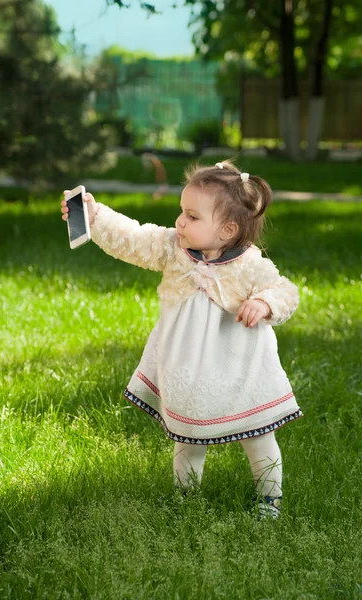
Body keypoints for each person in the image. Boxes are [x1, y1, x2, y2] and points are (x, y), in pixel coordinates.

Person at [61, 159, 302, 519]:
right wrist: (95, 217)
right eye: (181, 212)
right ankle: (185, 499)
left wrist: (263, 303)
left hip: (241, 371)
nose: (180, 222)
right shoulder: (173, 248)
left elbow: (286, 291)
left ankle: (269, 499)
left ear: (228, 229)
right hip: (190, 370)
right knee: (187, 435)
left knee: (257, 435)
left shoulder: (250, 264)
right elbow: (133, 237)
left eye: (192, 216)